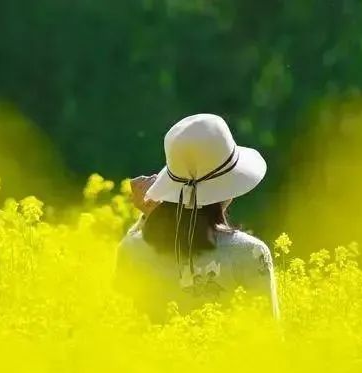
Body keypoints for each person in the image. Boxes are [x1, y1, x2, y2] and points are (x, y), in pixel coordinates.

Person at [114, 113, 279, 320]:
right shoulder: (250, 253)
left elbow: (120, 335)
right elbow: (268, 341)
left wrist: (149, 217)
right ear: (229, 184)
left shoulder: (131, 250)